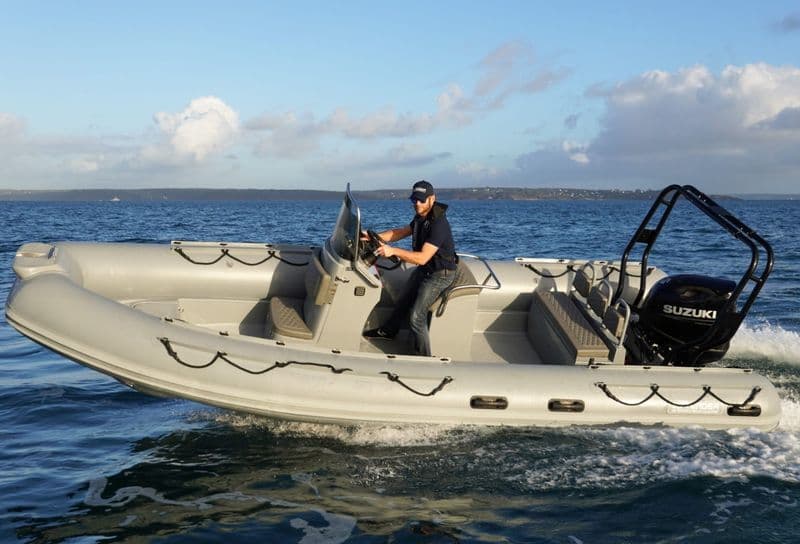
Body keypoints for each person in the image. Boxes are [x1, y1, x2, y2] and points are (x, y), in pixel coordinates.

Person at [364, 180, 457, 356]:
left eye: (421, 200)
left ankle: (425, 358)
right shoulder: (421, 217)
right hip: (427, 270)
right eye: (414, 200)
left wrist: (392, 251)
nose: (417, 204)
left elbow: (422, 258)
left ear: (432, 199)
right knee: (403, 299)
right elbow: (399, 232)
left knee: (416, 317)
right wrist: (372, 237)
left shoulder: (439, 224)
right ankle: (389, 331)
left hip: (440, 274)